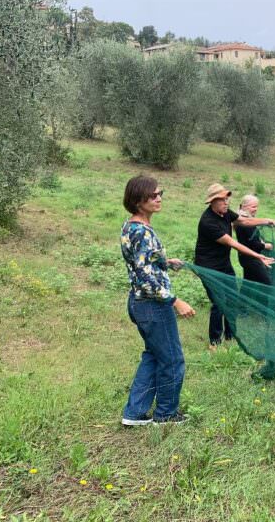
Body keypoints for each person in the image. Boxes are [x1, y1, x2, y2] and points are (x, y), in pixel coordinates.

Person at [120, 175, 196, 426]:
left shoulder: (131, 226)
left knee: (154, 356)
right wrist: (175, 301)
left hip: (138, 303)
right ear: (138, 200)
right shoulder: (142, 232)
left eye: (160, 193)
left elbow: (141, 262)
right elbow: (143, 275)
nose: (159, 198)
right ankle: (166, 415)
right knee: (172, 360)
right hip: (153, 306)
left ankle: (134, 413)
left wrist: (164, 262)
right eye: (153, 195)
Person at [194, 183, 275, 350]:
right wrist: (258, 255)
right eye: (222, 200)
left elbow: (244, 221)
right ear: (212, 201)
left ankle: (231, 336)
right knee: (219, 302)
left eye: (227, 199)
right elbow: (233, 243)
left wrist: (266, 221)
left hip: (224, 264)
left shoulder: (225, 213)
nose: (226, 203)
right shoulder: (208, 222)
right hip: (208, 266)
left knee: (231, 299)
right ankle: (214, 342)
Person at [234, 194, 274, 286]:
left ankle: (243, 300)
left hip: (245, 258)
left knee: (248, 284)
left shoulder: (242, 219)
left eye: (257, 207)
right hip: (252, 259)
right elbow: (253, 244)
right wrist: (266, 246)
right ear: (244, 207)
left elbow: (248, 241)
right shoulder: (246, 223)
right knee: (266, 285)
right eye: (253, 207)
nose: (256, 209)